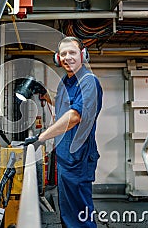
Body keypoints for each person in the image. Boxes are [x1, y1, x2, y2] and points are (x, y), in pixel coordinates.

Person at [26, 36, 103, 227]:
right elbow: (63, 103)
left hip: (78, 158)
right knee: (68, 211)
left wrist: (41, 138)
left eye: (72, 53)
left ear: (83, 55)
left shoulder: (89, 82)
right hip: (65, 156)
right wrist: (44, 94)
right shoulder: (66, 82)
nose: (68, 57)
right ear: (58, 58)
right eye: (63, 54)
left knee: (79, 212)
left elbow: (74, 116)